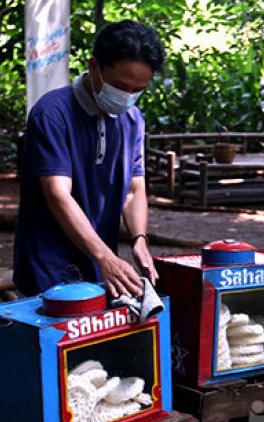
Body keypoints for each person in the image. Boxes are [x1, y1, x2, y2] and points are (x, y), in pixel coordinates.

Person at [14, 20, 165, 299]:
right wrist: (104, 256)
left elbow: (134, 189)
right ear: (94, 66)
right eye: (121, 87)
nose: (128, 97)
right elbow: (58, 194)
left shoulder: (132, 120)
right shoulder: (52, 113)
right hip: (49, 263)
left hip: (99, 260)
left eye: (137, 90)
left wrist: (139, 240)